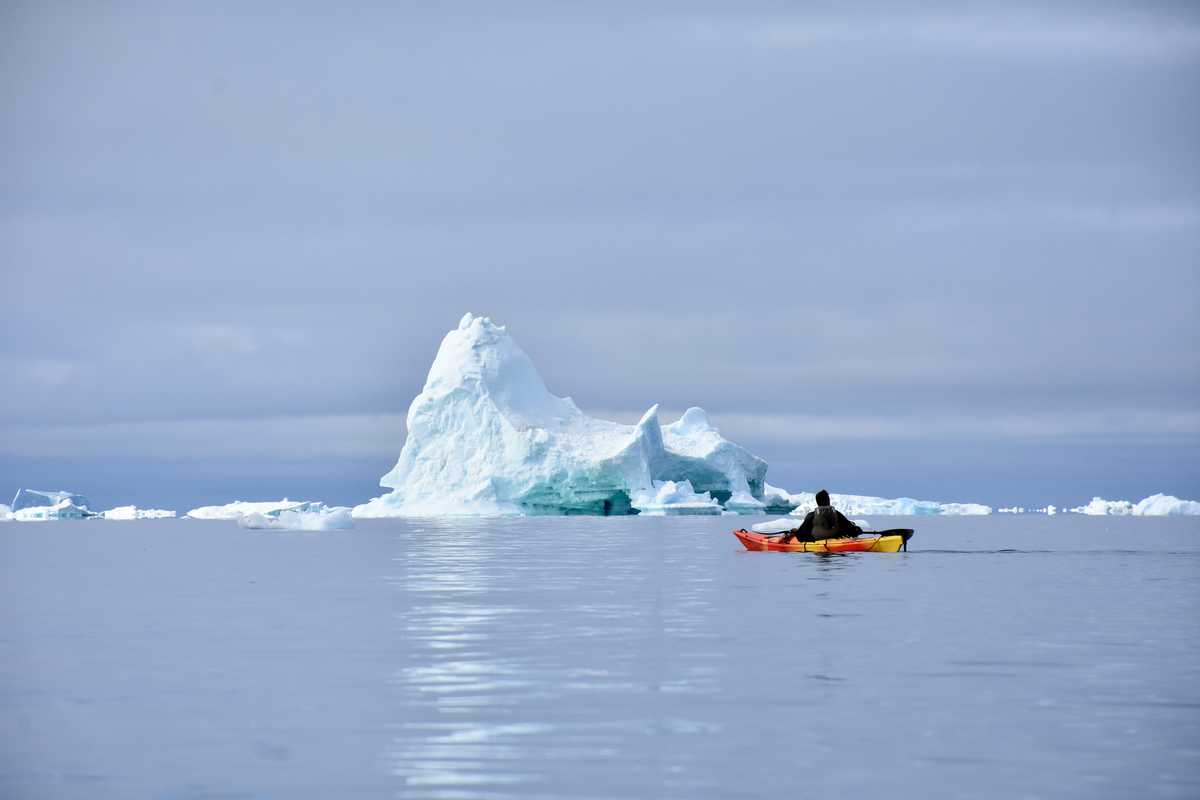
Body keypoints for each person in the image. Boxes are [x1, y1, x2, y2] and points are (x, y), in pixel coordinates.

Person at [776, 490, 862, 543]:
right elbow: (852, 530)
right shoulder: (837, 514)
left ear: (817, 502)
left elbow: (802, 535)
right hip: (835, 541)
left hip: (816, 541)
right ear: (828, 500)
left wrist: (795, 532)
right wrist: (856, 529)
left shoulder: (811, 515)